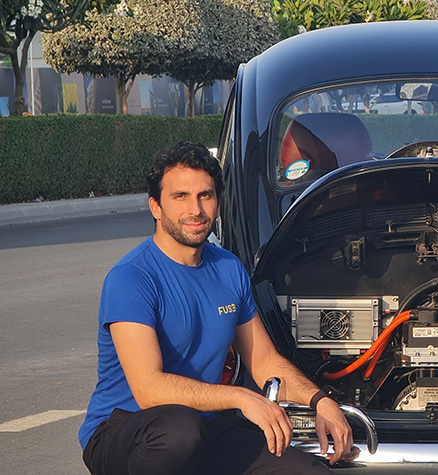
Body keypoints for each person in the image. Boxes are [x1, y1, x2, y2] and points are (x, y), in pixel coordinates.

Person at [78, 142, 353, 475]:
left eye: (205, 196)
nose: (195, 209)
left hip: (205, 427)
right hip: (125, 431)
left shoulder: (228, 268)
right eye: (180, 197)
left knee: (308, 471)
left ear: (218, 204)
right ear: (155, 207)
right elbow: (148, 388)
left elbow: (264, 360)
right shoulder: (132, 277)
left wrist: (321, 400)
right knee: (178, 431)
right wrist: (240, 397)